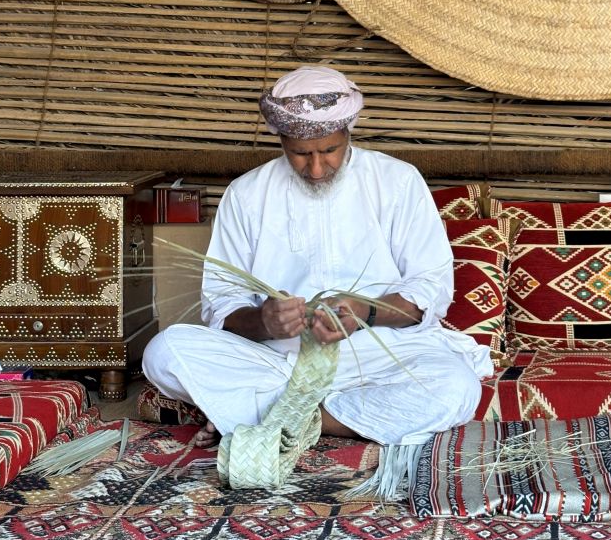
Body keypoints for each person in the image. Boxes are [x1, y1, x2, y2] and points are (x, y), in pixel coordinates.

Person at [142, 65, 492, 451]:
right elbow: (221, 305)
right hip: (279, 360)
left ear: (348, 132)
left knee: (456, 388)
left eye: (329, 150)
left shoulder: (397, 181)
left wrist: (365, 312)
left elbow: (430, 290)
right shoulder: (246, 194)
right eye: (300, 154)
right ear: (281, 141)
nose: (316, 168)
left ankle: (289, 417)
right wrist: (264, 321)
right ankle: (306, 412)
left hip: (379, 354)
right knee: (163, 352)